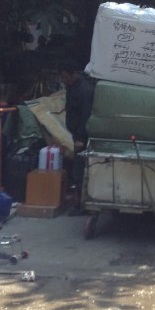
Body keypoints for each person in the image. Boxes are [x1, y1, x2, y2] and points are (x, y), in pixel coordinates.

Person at [59, 59, 95, 213]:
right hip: (76, 134)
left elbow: (86, 116)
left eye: (66, 77)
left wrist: (81, 137)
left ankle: (82, 205)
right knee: (78, 169)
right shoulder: (73, 87)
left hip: (82, 137)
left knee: (80, 171)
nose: (64, 81)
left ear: (73, 74)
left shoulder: (84, 91)